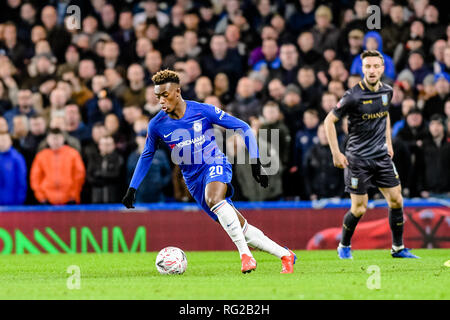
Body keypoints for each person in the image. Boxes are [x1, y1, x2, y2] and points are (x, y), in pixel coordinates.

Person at [122, 69, 296, 274]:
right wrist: (132, 187)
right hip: (193, 180)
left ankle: (245, 256)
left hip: (215, 163)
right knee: (242, 229)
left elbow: (243, 127)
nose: (161, 100)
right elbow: (146, 156)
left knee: (214, 199)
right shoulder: (157, 125)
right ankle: (285, 255)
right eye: (157, 96)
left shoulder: (202, 110)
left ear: (177, 92)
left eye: (165, 94)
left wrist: (256, 161)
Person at [324, 50, 419, 259]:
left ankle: (397, 248)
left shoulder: (387, 91)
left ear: (382, 68)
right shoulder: (353, 96)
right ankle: (344, 246)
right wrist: (336, 153)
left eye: (376, 66)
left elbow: (384, 116)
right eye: (367, 67)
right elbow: (328, 121)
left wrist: (388, 142)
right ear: (362, 69)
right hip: (357, 159)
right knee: (359, 208)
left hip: (381, 157)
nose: (372, 70)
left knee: (396, 200)